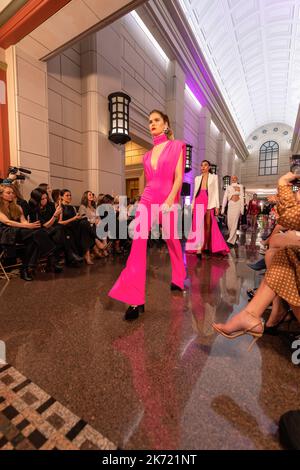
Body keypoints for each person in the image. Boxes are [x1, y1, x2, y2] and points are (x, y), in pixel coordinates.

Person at [109, 109, 186, 321]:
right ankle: (135, 299)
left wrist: (171, 198)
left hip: (168, 196)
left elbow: (179, 177)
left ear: (166, 124)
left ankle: (179, 277)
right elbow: (149, 181)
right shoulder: (146, 155)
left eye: (156, 120)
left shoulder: (177, 146)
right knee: (138, 242)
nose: (151, 124)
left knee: (172, 239)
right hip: (149, 196)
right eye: (149, 121)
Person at [212, 172, 300, 349]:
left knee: (280, 253)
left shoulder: (242, 189)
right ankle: (255, 314)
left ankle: (264, 314)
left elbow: (291, 218)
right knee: (277, 254)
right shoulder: (229, 188)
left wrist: (282, 183)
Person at [0, 185, 55, 280]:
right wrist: (28, 226)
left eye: (12, 192)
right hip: (5, 232)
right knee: (36, 233)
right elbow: (7, 222)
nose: (11, 195)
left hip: (19, 230)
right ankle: (49, 250)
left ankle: (26, 268)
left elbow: (24, 221)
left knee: (34, 240)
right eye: (8, 193)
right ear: (1, 195)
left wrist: (31, 225)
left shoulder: (17, 207)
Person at [186, 160, 229, 258]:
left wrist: (217, 206)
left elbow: (216, 192)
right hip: (198, 200)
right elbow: (195, 192)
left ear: (209, 167)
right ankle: (198, 248)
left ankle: (206, 245)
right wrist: (192, 206)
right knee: (198, 225)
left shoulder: (214, 177)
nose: (203, 167)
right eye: (201, 165)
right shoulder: (197, 178)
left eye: (205, 165)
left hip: (209, 201)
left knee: (209, 225)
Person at [221, 175, 244, 247]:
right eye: (232, 178)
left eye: (235, 178)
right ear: (231, 179)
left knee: (234, 222)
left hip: (237, 205)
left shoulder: (240, 186)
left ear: (237, 179)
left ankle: (230, 240)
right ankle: (233, 239)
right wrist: (223, 208)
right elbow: (225, 197)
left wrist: (242, 209)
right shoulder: (228, 187)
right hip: (230, 205)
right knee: (229, 223)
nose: (233, 179)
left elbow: (242, 197)